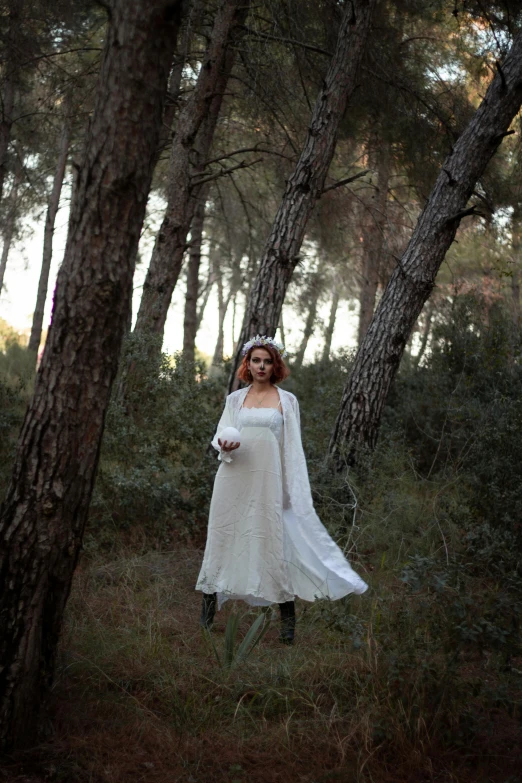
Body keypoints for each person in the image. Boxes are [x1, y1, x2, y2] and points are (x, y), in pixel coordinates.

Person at [196, 335, 368, 644]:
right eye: (256, 361)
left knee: (274, 544)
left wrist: (290, 489)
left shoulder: (287, 401)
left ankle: (287, 626)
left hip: (269, 483)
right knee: (224, 537)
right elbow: (222, 432)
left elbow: (293, 449)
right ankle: (206, 617)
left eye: (267, 361)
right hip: (233, 479)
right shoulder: (235, 399)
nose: (261, 366)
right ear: (247, 364)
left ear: (276, 365)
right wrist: (224, 443)